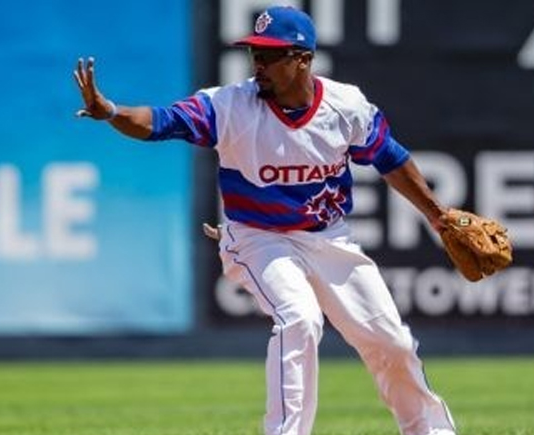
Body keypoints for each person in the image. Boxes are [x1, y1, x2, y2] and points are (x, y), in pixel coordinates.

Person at [73, 5, 458, 435]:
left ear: (303, 59)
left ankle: (431, 430)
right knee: (299, 318)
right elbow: (160, 122)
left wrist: (438, 218)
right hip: (258, 238)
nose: (259, 64)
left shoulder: (346, 106)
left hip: (329, 239)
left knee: (390, 340)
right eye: (255, 53)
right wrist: (110, 110)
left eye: (270, 55)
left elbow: (391, 159)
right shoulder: (229, 105)